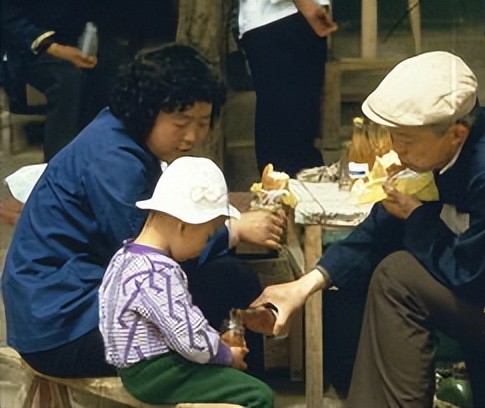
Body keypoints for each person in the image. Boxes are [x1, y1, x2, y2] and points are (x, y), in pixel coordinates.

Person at [249, 51, 485, 407]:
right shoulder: (455, 145)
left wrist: (418, 217)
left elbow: (476, 278)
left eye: (407, 141)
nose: (397, 151)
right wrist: (304, 286)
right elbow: (386, 221)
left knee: (398, 277)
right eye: (393, 138)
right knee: (379, 269)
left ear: (455, 133)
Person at [2, 43, 286, 378]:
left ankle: (233, 378)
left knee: (223, 277)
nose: (192, 136)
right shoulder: (114, 161)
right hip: (63, 327)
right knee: (228, 281)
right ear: (145, 110)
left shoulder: (119, 136)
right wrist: (233, 230)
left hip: (66, 309)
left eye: (202, 122)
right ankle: (236, 389)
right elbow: (151, 252)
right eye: (181, 123)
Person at [99, 156, 273, 407]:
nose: (205, 246)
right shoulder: (159, 271)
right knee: (258, 395)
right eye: (207, 235)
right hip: (157, 373)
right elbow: (188, 337)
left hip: (135, 368)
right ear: (183, 226)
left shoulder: (124, 257)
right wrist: (226, 355)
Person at [0, 0, 178, 161]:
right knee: (68, 80)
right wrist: (56, 49)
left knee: (120, 66)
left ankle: (112, 151)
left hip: (82, 36)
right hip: (30, 48)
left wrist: (90, 42)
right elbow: (10, 21)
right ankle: (59, 165)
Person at [237, 0, 338, 176]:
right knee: (287, 133)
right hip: (282, 17)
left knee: (300, 129)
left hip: (296, 18)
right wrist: (308, 6)